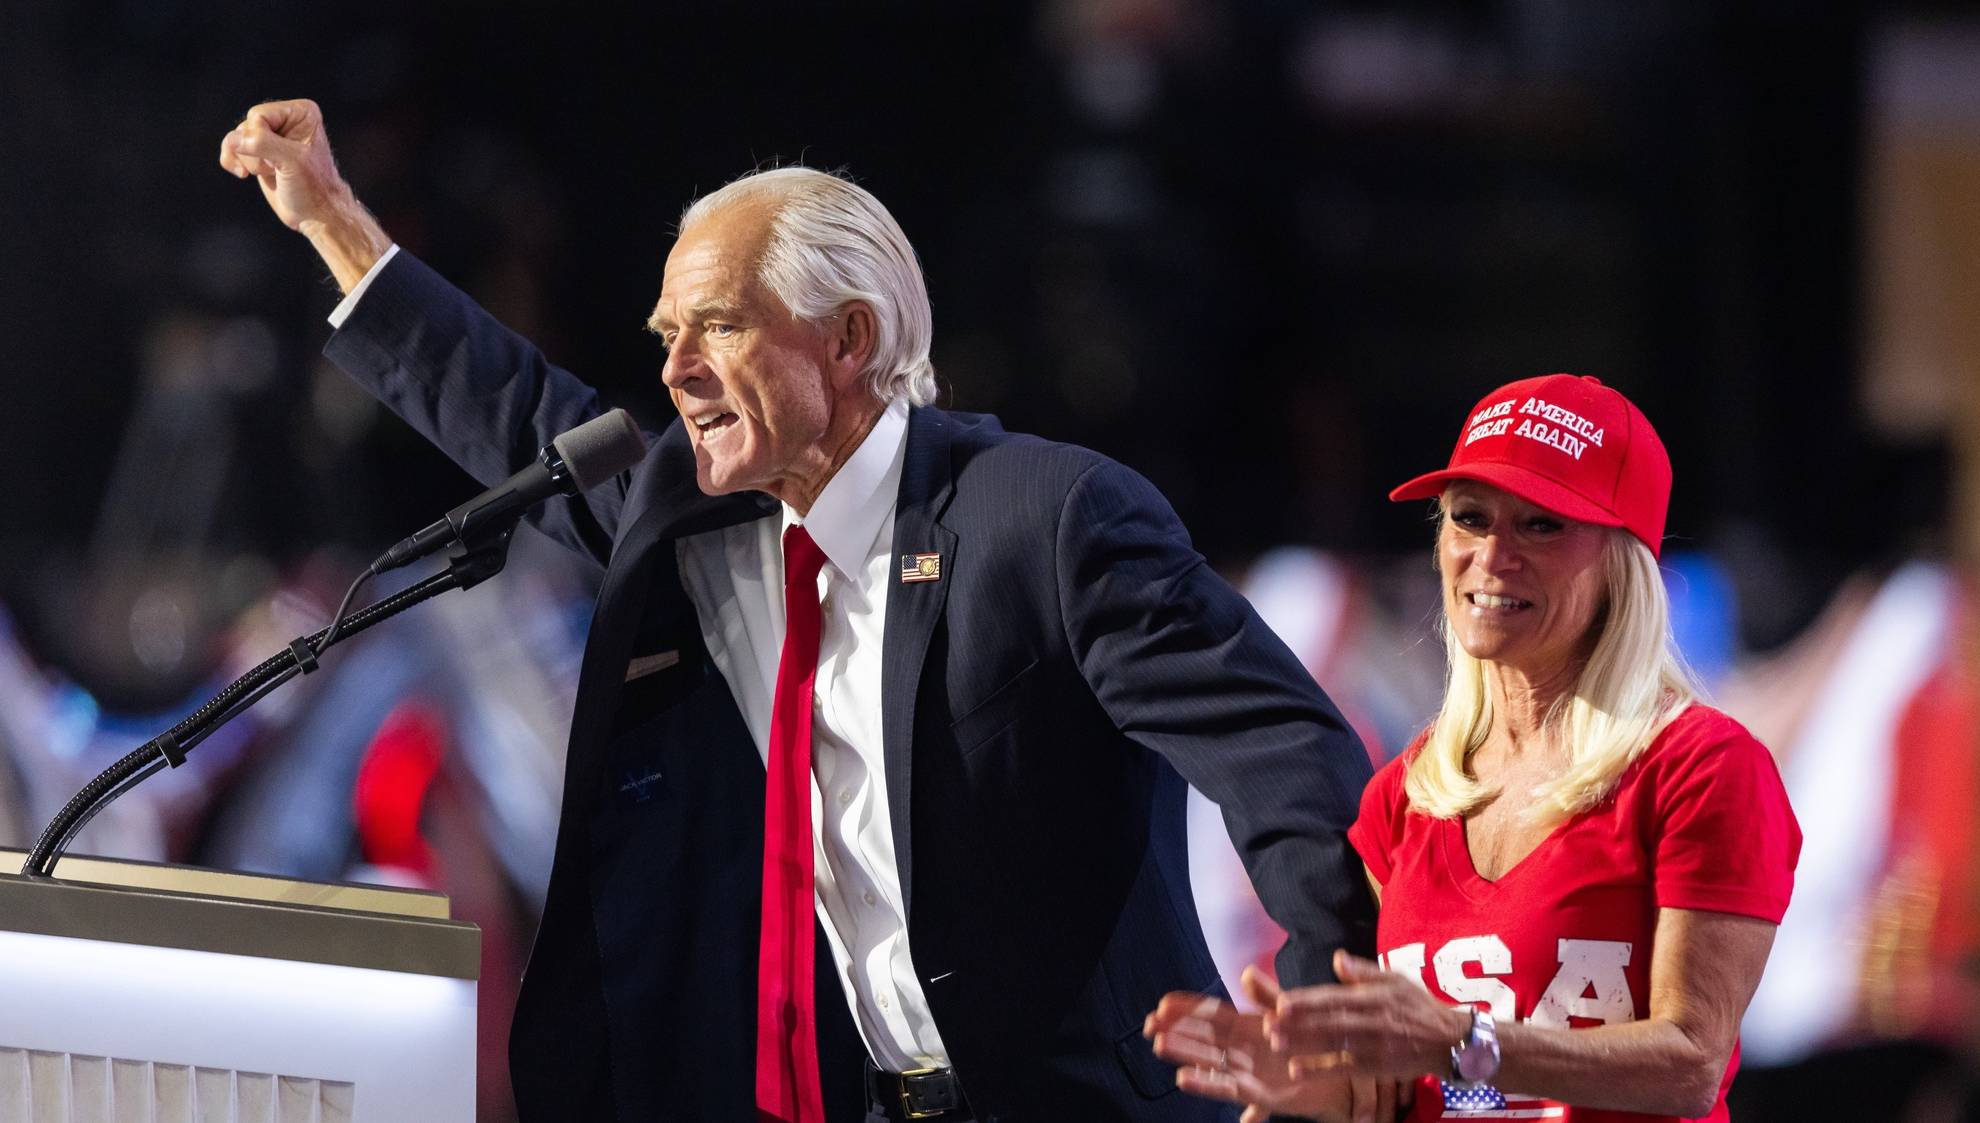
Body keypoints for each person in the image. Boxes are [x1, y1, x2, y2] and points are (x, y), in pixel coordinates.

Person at [218, 100, 1379, 1123]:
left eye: (717, 323)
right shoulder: (702, 521)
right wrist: (332, 219)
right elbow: (515, 409)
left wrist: (1334, 1028)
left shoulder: (1048, 517)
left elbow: (1283, 757)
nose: (676, 371)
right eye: (666, 337)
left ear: (849, 339)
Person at [1148, 374, 1802, 1122]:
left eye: (1542, 525)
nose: (1492, 555)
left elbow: (1691, 1062)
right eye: (1470, 517)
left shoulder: (1702, 766)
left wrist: (1463, 1038)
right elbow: (1444, 1086)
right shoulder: (1409, 792)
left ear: (1622, 563)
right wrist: (1314, 1087)